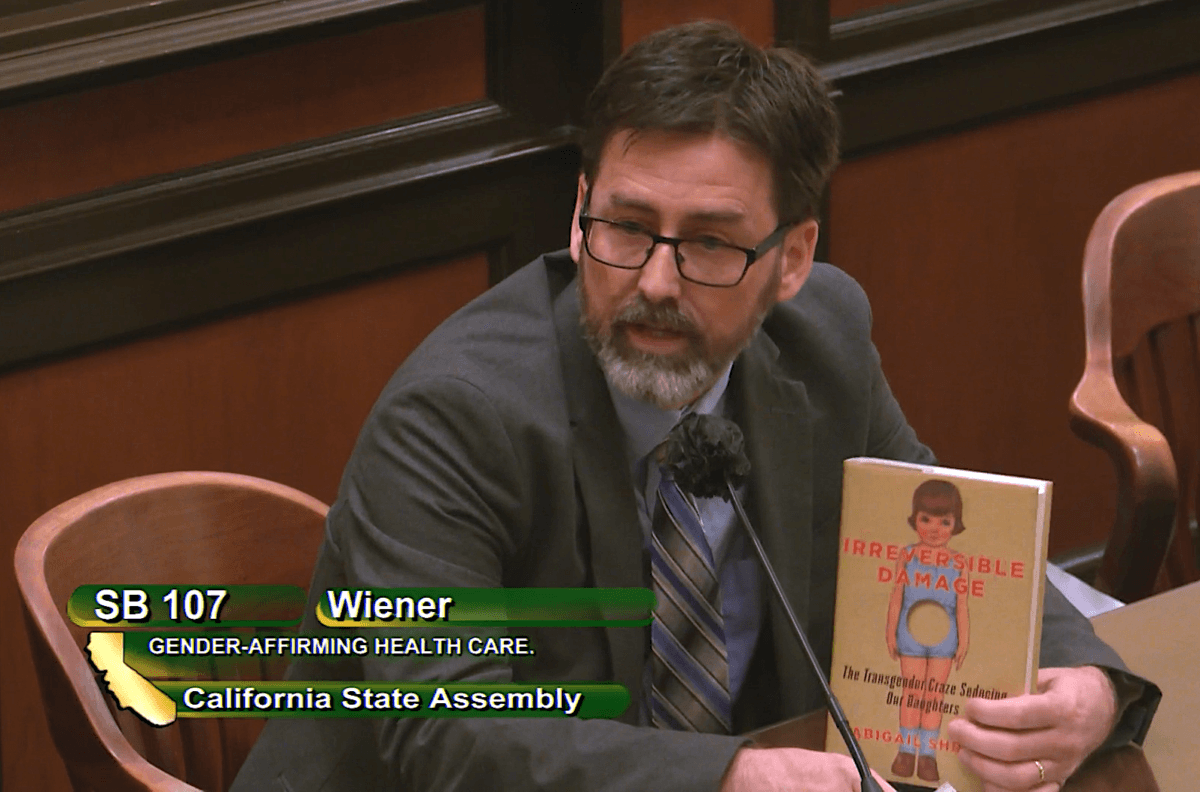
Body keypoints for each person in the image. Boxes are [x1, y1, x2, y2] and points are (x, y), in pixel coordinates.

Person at [234, 20, 1156, 792]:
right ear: (578, 212)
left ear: (792, 259)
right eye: (626, 228)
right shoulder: (454, 417)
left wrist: (1090, 688)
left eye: (712, 245)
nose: (657, 282)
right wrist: (723, 776)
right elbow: (444, 734)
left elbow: (961, 551)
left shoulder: (823, 340)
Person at [884, 480, 971, 783]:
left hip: (944, 637)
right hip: (911, 631)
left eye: (944, 521)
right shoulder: (907, 556)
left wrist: (963, 642)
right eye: (926, 519)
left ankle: (928, 755)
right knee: (911, 693)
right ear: (915, 520)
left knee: (933, 695)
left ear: (955, 524)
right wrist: (890, 632)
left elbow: (962, 605)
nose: (935, 528)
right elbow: (897, 596)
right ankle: (907, 751)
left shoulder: (959, 562)